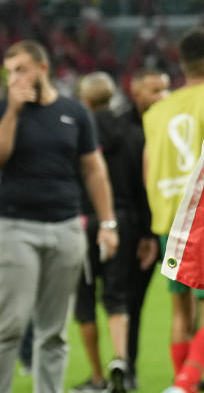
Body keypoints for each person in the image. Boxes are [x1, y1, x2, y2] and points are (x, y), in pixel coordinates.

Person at [0, 40, 119, 393]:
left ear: (42, 68)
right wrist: (13, 112)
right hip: (14, 227)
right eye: (10, 72)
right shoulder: (5, 109)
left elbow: (94, 169)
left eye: (21, 69)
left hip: (67, 226)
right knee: (11, 325)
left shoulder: (75, 112)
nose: (15, 78)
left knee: (54, 330)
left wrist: (108, 223)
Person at [143, 28, 204, 393]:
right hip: (203, 220)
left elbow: (148, 168)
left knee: (181, 309)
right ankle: (185, 383)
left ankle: (184, 384)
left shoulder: (157, 111)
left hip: (167, 221)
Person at [70, 72, 136, 393]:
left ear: (84, 100)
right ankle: (120, 360)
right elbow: (141, 182)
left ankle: (97, 378)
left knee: (85, 301)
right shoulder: (132, 131)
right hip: (121, 222)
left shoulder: (77, 132)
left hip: (84, 220)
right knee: (117, 297)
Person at [124, 68, 171, 391]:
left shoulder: (172, 122)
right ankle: (128, 368)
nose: (161, 97)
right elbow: (130, 188)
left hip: (170, 225)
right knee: (132, 304)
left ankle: (188, 373)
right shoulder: (122, 129)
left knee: (187, 300)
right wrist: (144, 234)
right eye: (154, 90)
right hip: (140, 231)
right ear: (135, 93)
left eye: (165, 89)